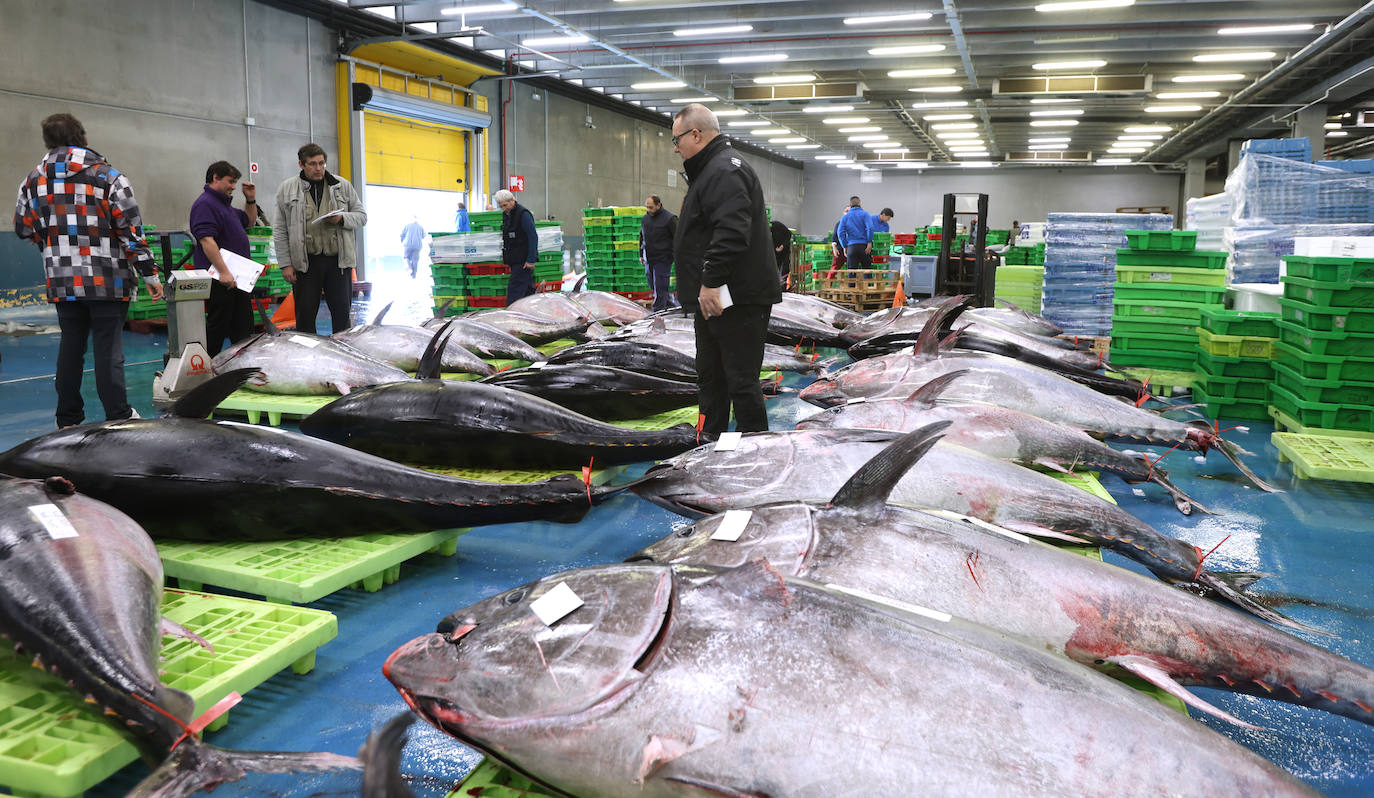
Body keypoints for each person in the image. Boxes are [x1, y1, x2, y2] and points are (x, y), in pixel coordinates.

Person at [13, 113, 164, 428]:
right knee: (108, 350)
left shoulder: (31, 181)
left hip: (62, 280)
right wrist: (149, 274)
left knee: (71, 347)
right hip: (107, 280)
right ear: (82, 137)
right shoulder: (109, 177)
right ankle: (118, 415)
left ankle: (67, 419)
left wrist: (52, 244)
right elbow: (130, 233)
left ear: (48, 141)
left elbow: (23, 228)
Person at [671, 103, 780, 436]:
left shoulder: (723, 171)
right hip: (719, 299)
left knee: (740, 382)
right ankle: (711, 446)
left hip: (735, 298)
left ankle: (756, 452)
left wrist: (710, 282)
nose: (675, 148)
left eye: (677, 140)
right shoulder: (711, 170)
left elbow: (731, 232)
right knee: (712, 378)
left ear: (696, 134)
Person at [271, 143, 366, 335]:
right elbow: (280, 230)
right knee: (305, 319)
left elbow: (362, 216)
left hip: (338, 263)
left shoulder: (342, 186)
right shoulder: (287, 189)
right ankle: (308, 353)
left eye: (322, 163)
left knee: (342, 318)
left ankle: (343, 352)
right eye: (313, 164)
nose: (318, 168)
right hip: (306, 264)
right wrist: (285, 264)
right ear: (301, 164)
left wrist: (341, 219)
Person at [189, 160, 258, 356]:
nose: (234, 187)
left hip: (237, 279)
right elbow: (206, 240)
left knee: (243, 326)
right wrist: (224, 272)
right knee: (218, 326)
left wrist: (250, 200)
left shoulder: (225, 205)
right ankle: (206, 365)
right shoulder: (205, 204)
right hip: (221, 279)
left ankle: (241, 364)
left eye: (235, 182)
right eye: (230, 181)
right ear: (215, 178)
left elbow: (249, 221)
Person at [495, 189, 538, 303]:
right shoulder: (507, 215)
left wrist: (531, 259)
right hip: (514, 260)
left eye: (505, 205)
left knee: (514, 293)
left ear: (512, 200)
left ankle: (512, 313)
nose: (504, 209)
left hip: (523, 262)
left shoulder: (523, 214)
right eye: (501, 206)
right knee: (527, 293)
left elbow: (533, 236)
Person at [639, 194, 679, 311]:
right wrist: (641, 254)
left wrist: (677, 256)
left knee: (660, 287)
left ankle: (657, 313)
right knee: (653, 285)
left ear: (658, 205)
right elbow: (642, 237)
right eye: (647, 207)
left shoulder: (670, 219)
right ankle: (672, 308)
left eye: (651, 207)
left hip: (663, 259)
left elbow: (678, 238)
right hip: (649, 258)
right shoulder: (645, 219)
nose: (648, 210)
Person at [837, 195, 874, 269]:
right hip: (864, 247)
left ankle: (851, 277)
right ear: (860, 203)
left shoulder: (845, 217)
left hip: (851, 247)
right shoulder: (865, 214)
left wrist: (844, 246)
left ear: (850, 205)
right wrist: (869, 242)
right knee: (866, 270)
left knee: (851, 271)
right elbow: (870, 228)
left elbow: (840, 233)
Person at [770, 219, 791, 283]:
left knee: (784, 268)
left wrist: (782, 246)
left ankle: (783, 283)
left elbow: (789, 234)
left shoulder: (777, 225)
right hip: (776, 253)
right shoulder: (765, 232)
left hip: (784, 251)